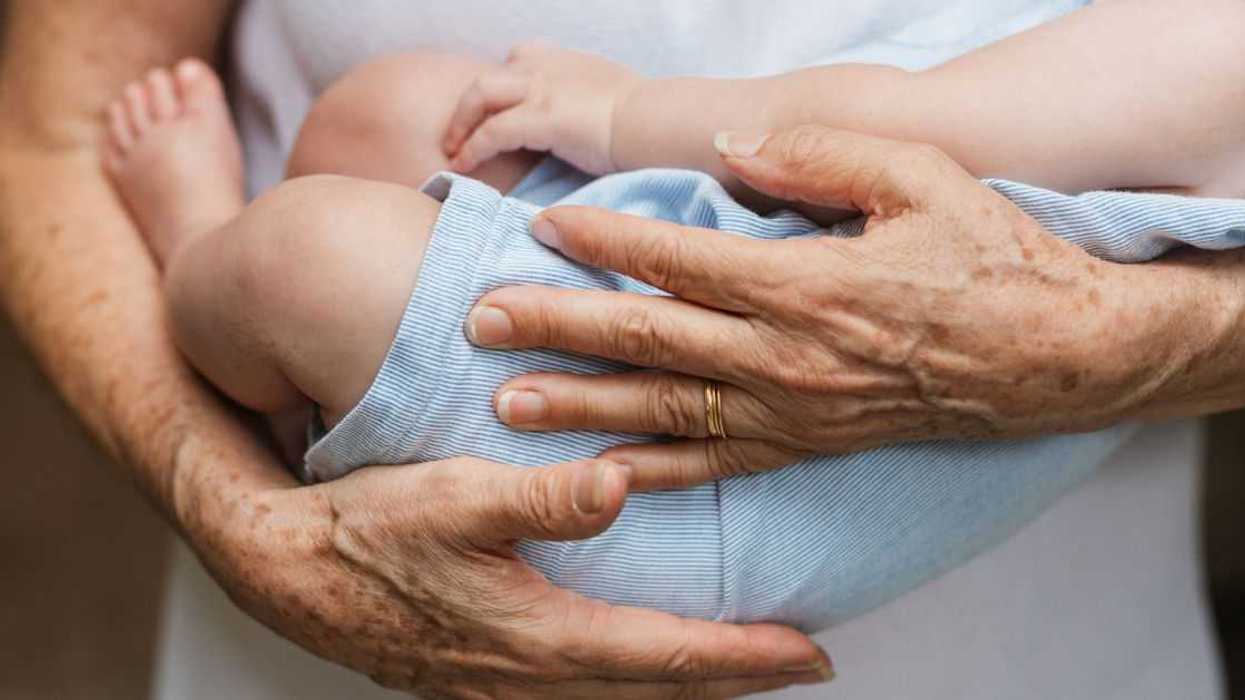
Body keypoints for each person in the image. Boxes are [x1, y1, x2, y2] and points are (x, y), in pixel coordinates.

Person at [1, 0, 1240, 697]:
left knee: (297, 260)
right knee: (392, 119)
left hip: (692, 498)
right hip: (665, 275)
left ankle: (204, 247)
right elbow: (49, 123)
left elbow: (889, 127)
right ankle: (301, 409)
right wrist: (230, 505)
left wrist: (618, 111)